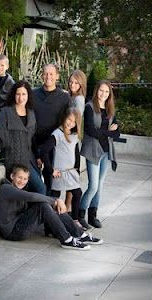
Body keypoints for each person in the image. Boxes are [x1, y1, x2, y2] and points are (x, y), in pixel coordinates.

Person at [0, 164, 103, 250]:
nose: (22, 181)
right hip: (11, 232)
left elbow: (36, 199)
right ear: (12, 176)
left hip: (19, 224)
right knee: (44, 206)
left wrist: (56, 202)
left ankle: (79, 234)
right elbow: (31, 197)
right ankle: (67, 239)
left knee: (47, 205)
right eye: (19, 177)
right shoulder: (6, 189)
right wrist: (55, 201)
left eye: (25, 179)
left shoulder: (18, 189)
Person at [0, 80, 46, 195]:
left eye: (24, 94)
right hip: (12, 161)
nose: (20, 98)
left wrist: (37, 157)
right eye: (18, 94)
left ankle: (34, 213)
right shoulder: (6, 112)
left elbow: (32, 138)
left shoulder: (31, 113)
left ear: (28, 95)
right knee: (17, 193)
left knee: (41, 188)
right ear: (14, 95)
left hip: (28, 161)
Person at [79, 80, 120, 228]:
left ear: (110, 94)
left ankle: (92, 215)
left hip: (106, 152)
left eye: (107, 92)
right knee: (93, 186)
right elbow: (90, 130)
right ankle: (80, 215)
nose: (103, 94)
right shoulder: (89, 107)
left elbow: (117, 133)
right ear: (97, 91)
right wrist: (108, 132)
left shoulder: (110, 110)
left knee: (100, 186)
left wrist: (108, 133)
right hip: (93, 151)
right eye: (101, 91)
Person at [40, 107, 89, 230]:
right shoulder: (57, 134)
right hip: (59, 173)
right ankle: (50, 226)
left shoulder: (74, 135)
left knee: (77, 193)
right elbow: (44, 151)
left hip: (71, 172)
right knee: (55, 197)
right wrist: (51, 170)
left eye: (74, 122)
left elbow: (76, 153)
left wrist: (77, 169)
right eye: (69, 120)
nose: (70, 123)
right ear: (64, 118)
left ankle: (75, 220)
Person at [32, 63, 72, 194]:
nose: (48, 76)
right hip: (35, 144)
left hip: (54, 146)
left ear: (57, 77)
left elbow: (69, 122)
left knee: (53, 184)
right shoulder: (33, 94)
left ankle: (51, 211)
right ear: (42, 75)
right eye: (45, 73)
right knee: (35, 183)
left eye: (51, 74)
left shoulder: (64, 97)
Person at [65, 69, 87, 213]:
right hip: (68, 139)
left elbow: (75, 121)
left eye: (76, 83)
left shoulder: (78, 99)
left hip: (72, 141)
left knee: (71, 174)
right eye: (71, 82)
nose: (73, 84)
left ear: (81, 85)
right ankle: (67, 206)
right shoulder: (70, 96)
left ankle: (68, 206)